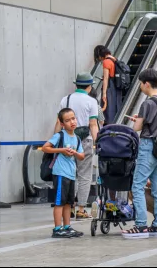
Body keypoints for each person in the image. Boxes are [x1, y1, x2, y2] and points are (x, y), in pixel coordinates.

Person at [123, 68, 157, 239]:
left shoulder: (147, 103)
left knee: (137, 185)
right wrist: (141, 119)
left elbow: (137, 128)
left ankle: (140, 225)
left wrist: (137, 120)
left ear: (146, 84)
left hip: (148, 146)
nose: (140, 86)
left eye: (141, 84)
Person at [56, 73, 99, 220]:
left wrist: (56, 141)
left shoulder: (65, 99)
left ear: (76, 85)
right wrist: (98, 142)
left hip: (67, 142)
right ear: (89, 86)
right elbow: (93, 124)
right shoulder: (91, 101)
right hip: (84, 142)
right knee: (84, 175)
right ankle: (81, 209)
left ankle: (70, 208)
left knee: (69, 174)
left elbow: (58, 123)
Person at [42, 107, 85, 238]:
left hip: (71, 174)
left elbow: (82, 156)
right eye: (67, 120)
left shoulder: (77, 138)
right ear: (62, 124)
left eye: (73, 118)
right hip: (61, 173)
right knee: (59, 202)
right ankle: (57, 228)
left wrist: (75, 153)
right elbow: (45, 147)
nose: (72, 122)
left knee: (68, 202)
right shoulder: (59, 135)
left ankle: (67, 226)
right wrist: (61, 150)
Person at [94, 45, 127, 125]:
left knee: (109, 110)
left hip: (110, 89)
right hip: (117, 88)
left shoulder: (106, 62)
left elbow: (106, 79)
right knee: (116, 108)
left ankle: (109, 127)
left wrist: (104, 94)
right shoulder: (114, 59)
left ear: (99, 54)